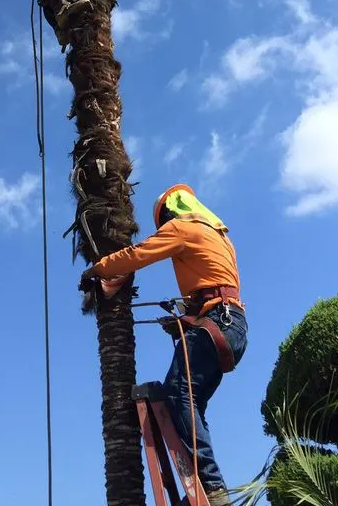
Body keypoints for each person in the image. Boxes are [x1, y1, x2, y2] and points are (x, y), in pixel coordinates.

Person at [80, 183, 247, 506]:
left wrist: (98, 268)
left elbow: (138, 254)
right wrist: (187, 319)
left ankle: (211, 488)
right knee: (190, 403)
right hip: (232, 325)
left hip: (219, 321)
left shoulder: (184, 228)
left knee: (178, 393)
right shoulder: (219, 236)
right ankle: (204, 485)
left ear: (171, 211)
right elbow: (215, 285)